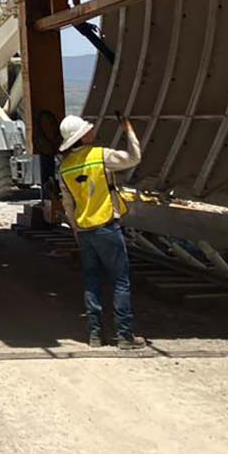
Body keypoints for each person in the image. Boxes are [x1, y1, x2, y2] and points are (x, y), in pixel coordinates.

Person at [57, 114, 144, 349]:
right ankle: (124, 336)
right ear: (82, 136)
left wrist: (76, 229)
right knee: (120, 281)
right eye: (88, 130)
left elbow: (68, 205)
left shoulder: (65, 168)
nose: (92, 131)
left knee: (92, 282)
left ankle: (95, 335)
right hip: (106, 226)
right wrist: (129, 131)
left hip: (85, 230)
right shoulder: (101, 156)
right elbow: (134, 158)